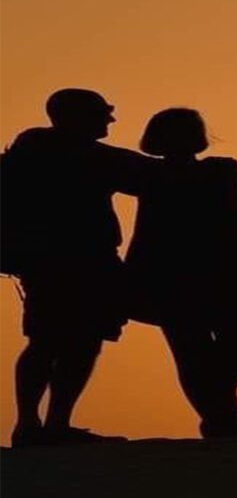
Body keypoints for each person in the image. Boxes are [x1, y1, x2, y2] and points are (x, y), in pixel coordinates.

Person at [1, 88, 151, 447]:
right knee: (69, 342)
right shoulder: (83, 157)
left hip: (48, 263)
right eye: (103, 112)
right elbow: (150, 175)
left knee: (54, 342)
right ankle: (48, 424)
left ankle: (35, 425)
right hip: (77, 261)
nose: (110, 119)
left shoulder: (29, 154)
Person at [125, 108, 237, 438]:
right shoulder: (150, 175)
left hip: (225, 272)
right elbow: (147, 230)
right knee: (192, 350)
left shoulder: (222, 170)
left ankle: (218, 412)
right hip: (170, 274)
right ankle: (225, 422)